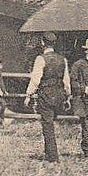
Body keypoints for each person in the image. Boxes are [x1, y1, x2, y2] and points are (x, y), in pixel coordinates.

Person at [23, 32, 71, 163]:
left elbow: (35, 80)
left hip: (46, 95)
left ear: (43, 43)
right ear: (54, 44)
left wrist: (28, 95)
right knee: (50, 123)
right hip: (59, 95)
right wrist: (67, 97)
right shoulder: (63, 60)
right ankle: (49, 152)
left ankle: (52, 156)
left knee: (47, 125)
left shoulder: (41, 59)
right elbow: (66, 81)